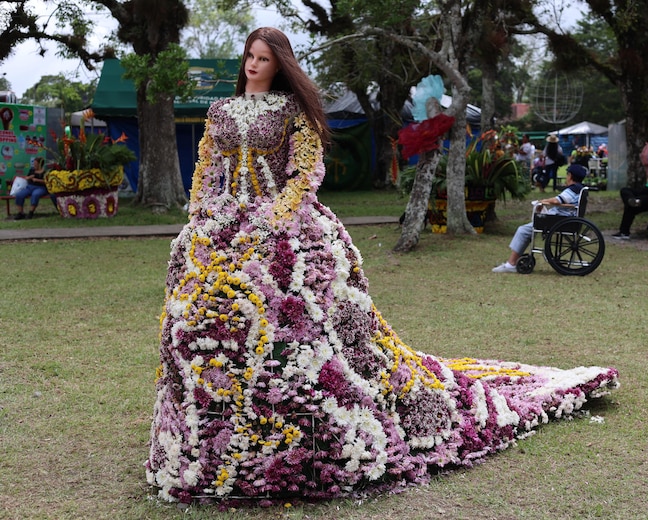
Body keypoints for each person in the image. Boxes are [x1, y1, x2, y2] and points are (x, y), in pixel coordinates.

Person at [146, 28, 618, 504]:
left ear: (280, 65)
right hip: (219, 228)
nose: (253, 65)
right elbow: (207, 170)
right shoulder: (220, 111)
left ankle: (297, 428)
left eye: (264, 58)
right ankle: (209, 432)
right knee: (197, 324)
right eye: (249, 56)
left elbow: (304, 175)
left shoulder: (294, 113)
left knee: (303, 327)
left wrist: (271, 221)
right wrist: (203, 215)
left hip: (282, 227)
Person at [492, 164, 588, 272]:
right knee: (529, 227)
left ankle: (511, 264)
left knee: (523, 230)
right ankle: (513, 261)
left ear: (570, 176)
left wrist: (542, 202)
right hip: (564, 218)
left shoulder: (573, 189)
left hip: (560, 220)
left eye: (567, 174)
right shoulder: (579, 188)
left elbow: (558, 200)